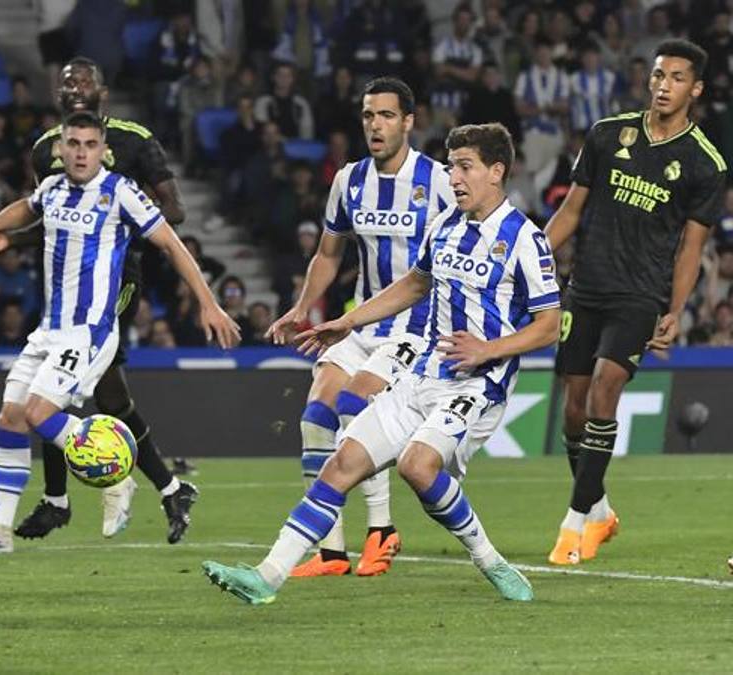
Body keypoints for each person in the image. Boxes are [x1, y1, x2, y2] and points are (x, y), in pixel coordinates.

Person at [203, 123, 561, 605]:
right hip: (422, 375)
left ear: (496, 172)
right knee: (340, 463)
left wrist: (488, 350)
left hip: (477, 386)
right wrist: (348, 322)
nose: (453, 177)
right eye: (452, 166)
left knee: (417, 466)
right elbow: (414, 285)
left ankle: (488, 559)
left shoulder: (525, 238)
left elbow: (549, 324)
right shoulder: (446, 225)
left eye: (465, 167)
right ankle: (266, 577)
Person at [0, 111, 240, 555]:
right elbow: (27, 207)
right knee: (10, 418)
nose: (80, 152)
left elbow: (172, 245)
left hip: (90, 332)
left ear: (104, 150)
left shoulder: (121, 192)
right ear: (60, 148)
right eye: (73, 144)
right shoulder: (53, 188)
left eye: (89, 144)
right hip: (49, 331)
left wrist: (207, 302)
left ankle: (115, 473)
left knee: (40, 414)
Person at [545, 40, 726, 565]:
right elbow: (572, 212)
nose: (663, 85)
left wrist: (675, 308)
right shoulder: (607, 135)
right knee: (573, 413)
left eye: (675, 78)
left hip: (640, 296)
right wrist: (530, 264)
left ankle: (573, 524)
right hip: (586, 288)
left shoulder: (705, 164)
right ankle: (599, 508)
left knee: (606, 388)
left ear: (696, 90)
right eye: (657, 75)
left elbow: (692, 247)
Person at [267, 77, 456, 578]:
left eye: (387, 115)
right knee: (314, 417)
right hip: (359, 326)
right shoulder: (348, 180)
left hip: (414, 331)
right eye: (369, 115)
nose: (376, 124)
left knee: (355, 406)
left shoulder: (438, 181)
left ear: (409, 122)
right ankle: (330, 552)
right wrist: (303, 307)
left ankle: (381, 529)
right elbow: (328, 254)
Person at [20, 57, 196, 544]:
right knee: (102, 394)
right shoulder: (43, 150)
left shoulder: (133, 140)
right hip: (60, 283)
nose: (74, 86)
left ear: (104, 93)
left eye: (84, 80)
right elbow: (40, 215)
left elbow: (175, 208)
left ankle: (73, 495)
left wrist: (121, 217)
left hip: (117, 277)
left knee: (62, 387)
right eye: (66, 80)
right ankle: (169, 488)